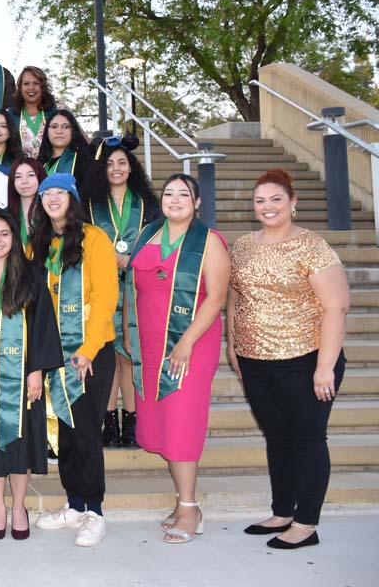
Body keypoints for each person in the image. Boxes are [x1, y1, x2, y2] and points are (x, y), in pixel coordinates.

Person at [227, 169, 349, 550]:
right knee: (277, 438)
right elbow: (234, 298)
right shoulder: (243, 245)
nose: (268, 207)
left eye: (276, 199)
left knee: (308, 439)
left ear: (293, 203)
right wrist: (233, 346)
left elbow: (337, 307)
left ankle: (307, 523)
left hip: (306, 358)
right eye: (260, 200)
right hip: (255, 361)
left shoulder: (312, 246)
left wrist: (325, 366)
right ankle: (282, 511)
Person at [122, 173, 229, 543]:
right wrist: (127, 332)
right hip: (148, 342)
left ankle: (189, 507)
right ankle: (184, 503)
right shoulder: (147, 235)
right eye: (169, 193)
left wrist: (185, 343)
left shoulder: (210, 242)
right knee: (162, 420)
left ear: (197, 203)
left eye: (185, 194)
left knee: (182, 419)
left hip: (191, 344)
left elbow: (216, 297)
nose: (176, 199)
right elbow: (130, 288)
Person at [0, 210, 62, 541]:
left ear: (14, 238)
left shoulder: (32, 276)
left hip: (22, 379)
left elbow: (44, 324)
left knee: (22, 444)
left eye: (5, 233)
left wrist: (36, 369)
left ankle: (18, 506)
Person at [29, 173, 117, 547]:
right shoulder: (38, 244)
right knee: (62, 430)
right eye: (46, 192)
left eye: (59, 192)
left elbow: (105, 298)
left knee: (84, 432)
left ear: (73, 198)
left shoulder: (95, 239)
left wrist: (89, 349)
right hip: (53, 353)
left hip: (88, 353)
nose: (52, 198)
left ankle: (95, 510)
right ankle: (75, 503)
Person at [84, 137, 160, 449]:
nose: (116, 168)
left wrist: (135, 259)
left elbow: (158, 242)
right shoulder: (90, 203)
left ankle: (131, 420)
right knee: (107, 358)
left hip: (135, 290)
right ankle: (108, 420)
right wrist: (105, 258)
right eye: (110, 163)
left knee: (129, 356)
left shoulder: (148, 204)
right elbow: (83, 241)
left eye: (122, 163)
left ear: (131, 168)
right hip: (102, 289)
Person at [10, 66, 59, 159]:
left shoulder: (58, 109)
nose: (31, 87)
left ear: (43, 86)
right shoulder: (11, 114)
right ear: (20, 87)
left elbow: (76, 134)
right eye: (26, 83)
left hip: (52, 167)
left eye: (36, 83)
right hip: (22, 170)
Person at [39, 109, 92, 189]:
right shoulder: (40, 163)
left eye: (65, 127)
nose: (59, 131)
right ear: (47, 132)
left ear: (73, 131)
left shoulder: (85, 161)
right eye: (54, 126)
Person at [8, 157, 46, 251]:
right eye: (18, 176)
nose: (24, 181)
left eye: (31, 175)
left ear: (40, 178)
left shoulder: (50, 213)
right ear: (13, 182)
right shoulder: (7, 215)